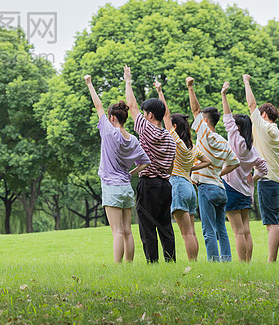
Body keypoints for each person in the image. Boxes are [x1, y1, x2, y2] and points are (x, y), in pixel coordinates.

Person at [84, 75, 151, 263]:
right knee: (128, 230)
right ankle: (129, 265)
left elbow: (98, 107)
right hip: (125, 187)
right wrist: (131, 174)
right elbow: (145, 162)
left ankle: (118, 266)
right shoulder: (133, 140)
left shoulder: (108, 131)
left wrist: (90, 84)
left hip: (111, 187)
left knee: (117, 232)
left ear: (112, 117)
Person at [243, 74, 279, 262]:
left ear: (264, 115)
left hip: (268, 184)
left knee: (272, 225)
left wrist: (246, 81)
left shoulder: (262, 128)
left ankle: (271, 262)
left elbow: (252, 105)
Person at [123, 66, 177, 263]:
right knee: (166, 227)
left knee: (147, 227)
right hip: (165, 185)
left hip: (149, 185)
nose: (143, 116)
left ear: (151, 115)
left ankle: (152, 264)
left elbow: (131, 106)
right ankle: (171, 262)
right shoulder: (171, 139)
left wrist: (128, 81)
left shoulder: (148, 130)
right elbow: (171, 168)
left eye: (145, 114)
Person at [154, 81, 211, 261]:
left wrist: (160, 92)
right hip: (190, 187)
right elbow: (207, 161)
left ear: (175, 128)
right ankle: (194, 263)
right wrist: (191, 168)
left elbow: (165, 114)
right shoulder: (192, 147)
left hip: (178, 184)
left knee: (186, 233)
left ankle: (192, 264)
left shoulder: (176, 142)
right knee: (192, 232)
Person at [186, 77, 240, 262]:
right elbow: (235, 163)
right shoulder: (224, 142)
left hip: (206, 188)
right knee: (221, 229)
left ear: (206, 121)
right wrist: (219, 173)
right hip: (221, 189)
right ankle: (226, 260)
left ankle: (213, 262)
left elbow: (195, 110)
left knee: (208, 230)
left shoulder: (206, 135)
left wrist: (190, 88)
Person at [220, 81, 268, 262]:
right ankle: (247, 262)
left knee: (237, 231)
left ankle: (242, 264)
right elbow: (264, 169)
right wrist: (252, 180)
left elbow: (227, 118)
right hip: (246, 192)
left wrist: (224, 95)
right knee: (246, 229)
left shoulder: (235, 141)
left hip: (232, 188)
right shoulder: (251, 150)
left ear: (238, 128)